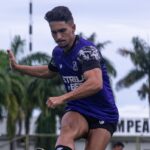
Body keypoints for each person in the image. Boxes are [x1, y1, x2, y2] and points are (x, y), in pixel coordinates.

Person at [8, 6, 119, 150]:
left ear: (73, 27)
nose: (58, 37)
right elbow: (49, 71)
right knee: (66, 131)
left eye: (62, 31)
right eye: (54, 32)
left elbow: (95, 83)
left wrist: (63, 98)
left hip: (104, 114)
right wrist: (18, 68)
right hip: (78, 109)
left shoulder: (86, 51)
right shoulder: (58, 52)